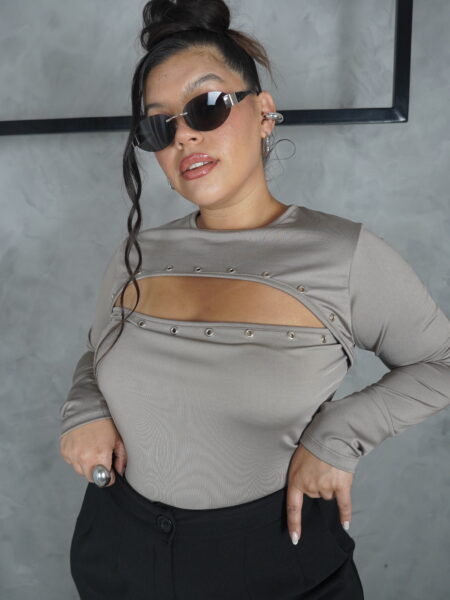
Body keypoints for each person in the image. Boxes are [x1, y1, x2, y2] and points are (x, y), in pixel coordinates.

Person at [59, 1, 450, 598]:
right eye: (159, 126)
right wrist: (82, 409)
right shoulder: (135, 253)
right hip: (117, 551)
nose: (185, 134)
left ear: (265, 112)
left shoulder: (343, 254)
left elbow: (441, 360)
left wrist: (339, 435)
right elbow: (98, 354)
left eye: (208, 105)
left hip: (274, 563)